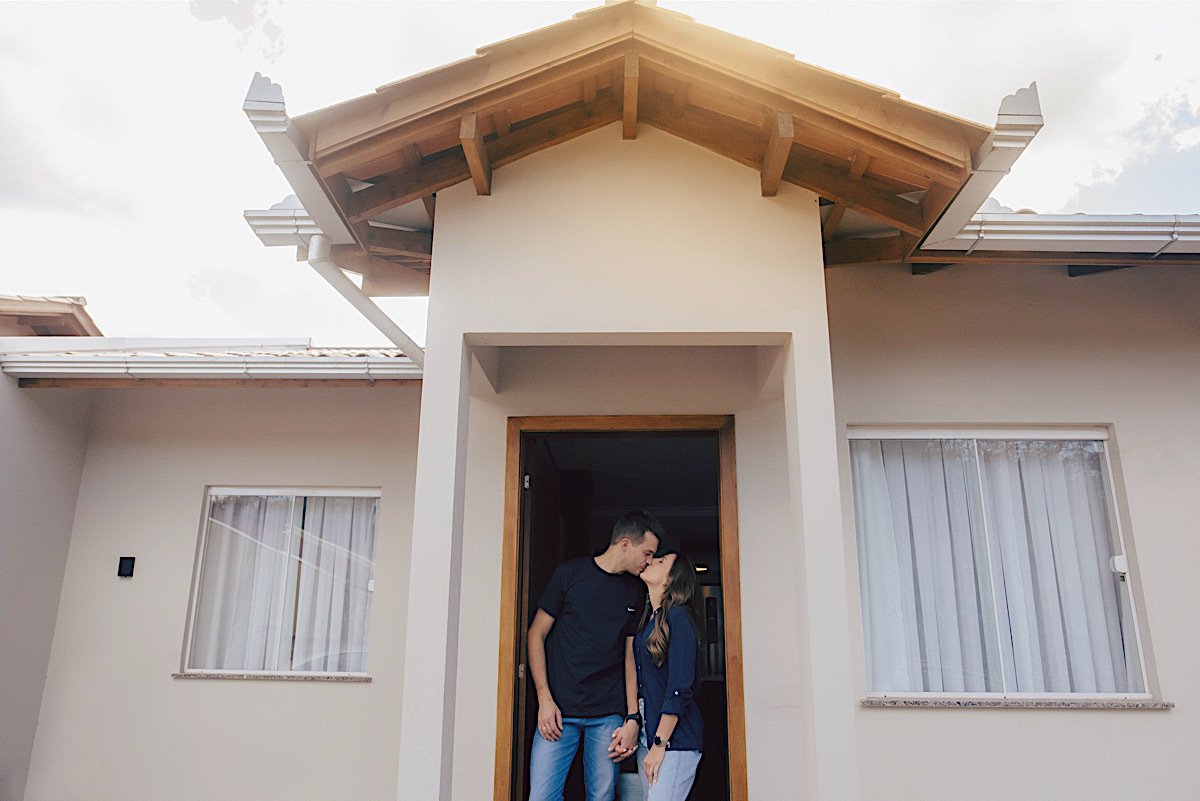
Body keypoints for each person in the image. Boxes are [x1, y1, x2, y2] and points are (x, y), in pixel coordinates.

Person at [527, 510, 664, 801]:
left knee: (601, 797)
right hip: (559, 712)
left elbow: (630, 658)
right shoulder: (570, 574)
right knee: (541, 797)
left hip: (607, 716)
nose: (649, 561)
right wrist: (544, 699)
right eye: (648, 553)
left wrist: (631, 718)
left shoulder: (635, 591)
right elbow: (536, 634)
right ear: (625, 544)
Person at [634, 549, 703, 801]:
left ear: (670, 580)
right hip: (650, 739)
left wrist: (659, 745)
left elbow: (679, 688)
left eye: (661, 561)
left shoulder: (679, 617)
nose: (650, 561)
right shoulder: (649, 621)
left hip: (674, 742)